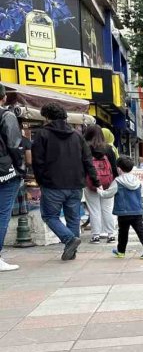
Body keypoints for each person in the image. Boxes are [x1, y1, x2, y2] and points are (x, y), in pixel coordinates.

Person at [31, 101, 99, 260]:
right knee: (73, 218)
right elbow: (87, 160)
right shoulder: (77, 135)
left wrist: (41, 181)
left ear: (47, 117)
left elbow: (37, 161)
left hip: (52, 184)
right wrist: (95, 179)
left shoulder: (42, 134)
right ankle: (72, 251)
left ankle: (69, 240)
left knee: (49, 216)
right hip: (75, 184)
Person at [99, 156, 143, 259]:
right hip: (137, 212)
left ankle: (121, 251)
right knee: (140, 230)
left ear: (119, 169)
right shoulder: (137, 181)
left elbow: (108, 194)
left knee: (123, 232)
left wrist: (99, 191)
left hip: (123, 213)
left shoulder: (117, 181)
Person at [0, 85, 25, 272]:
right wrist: (20, 168)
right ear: (3, 98)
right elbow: (14, 144)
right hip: (5, 172)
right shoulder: (6, 116)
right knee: (2, 214)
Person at [82, 125, 118, 243]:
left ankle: (96, 236)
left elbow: (84, 167)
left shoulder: (85, 148)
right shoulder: (108, 148)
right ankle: (111, 235)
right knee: (107, 209)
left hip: (90, 183)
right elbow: (114, 168)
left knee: (94, 210)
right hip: (108, 183)